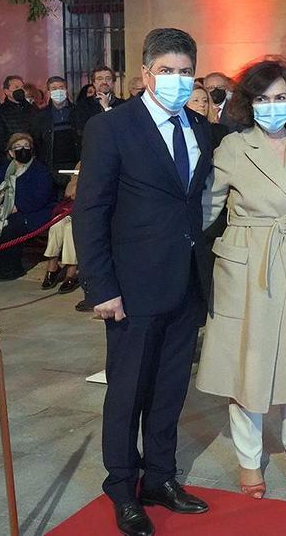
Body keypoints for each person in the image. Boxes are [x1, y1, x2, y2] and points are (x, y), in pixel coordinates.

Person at [74, 28, 214, 535]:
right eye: (166, 71)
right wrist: (101, 287)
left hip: (185, 284)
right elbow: (90, 212)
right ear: (145, 75)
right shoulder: (113, 129)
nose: (177, 81)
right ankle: (121, 485)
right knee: (128, 389)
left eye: (185, 72)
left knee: (171, 388)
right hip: (131, 288)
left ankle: (160, 477)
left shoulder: (200, 127)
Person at [196, 59, 286, 499]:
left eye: (280, 98)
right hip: (246, 267)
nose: (272, 106)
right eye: (262, 98)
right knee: (246, 366)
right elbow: (205, 210)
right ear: (248, 103)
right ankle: (249, 458)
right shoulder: (232, 149)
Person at [0, 133, 55, 281]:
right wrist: (0, 206)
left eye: (26, 147)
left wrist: (16, 207)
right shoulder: (3, 170)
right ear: (11, 152)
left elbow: (40, 197)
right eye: (17, 147)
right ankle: (1, 265)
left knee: (11, 227)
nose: (22, 150)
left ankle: (14, 268)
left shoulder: (40, 170)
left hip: (33, 211)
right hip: (6, 209)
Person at [34, 76, 81, 196]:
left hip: (76, 164)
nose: (58, 91)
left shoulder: (77, 112)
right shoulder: (41, 116)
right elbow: (37, 142)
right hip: (52, 166)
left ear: (66, 90)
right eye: (54, 88)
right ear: (48, 92)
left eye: (61, 87)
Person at [42, 163, 80, 294]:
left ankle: (71, 272)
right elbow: (69, 193)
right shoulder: (82, 164)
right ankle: (52, 266)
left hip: (91, 211)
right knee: (56, 224)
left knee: (70, 228)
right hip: (72, 209)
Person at [0, 75, 37, 164]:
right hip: (9, 159)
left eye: (22, 87)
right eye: (16, 87)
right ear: (6, 91)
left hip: (32, 157)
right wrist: (15, 150)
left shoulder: (33, 109)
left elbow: (38, 133)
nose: (20, 90)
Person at [75, 65, 124, 136]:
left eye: (108, 78)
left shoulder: (123, 105)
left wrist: (107, 108)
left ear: (113, 83)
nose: (104, 82)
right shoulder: (83, 105)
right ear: (94, 83)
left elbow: (123, 129)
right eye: (99, 79)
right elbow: (82, 131)